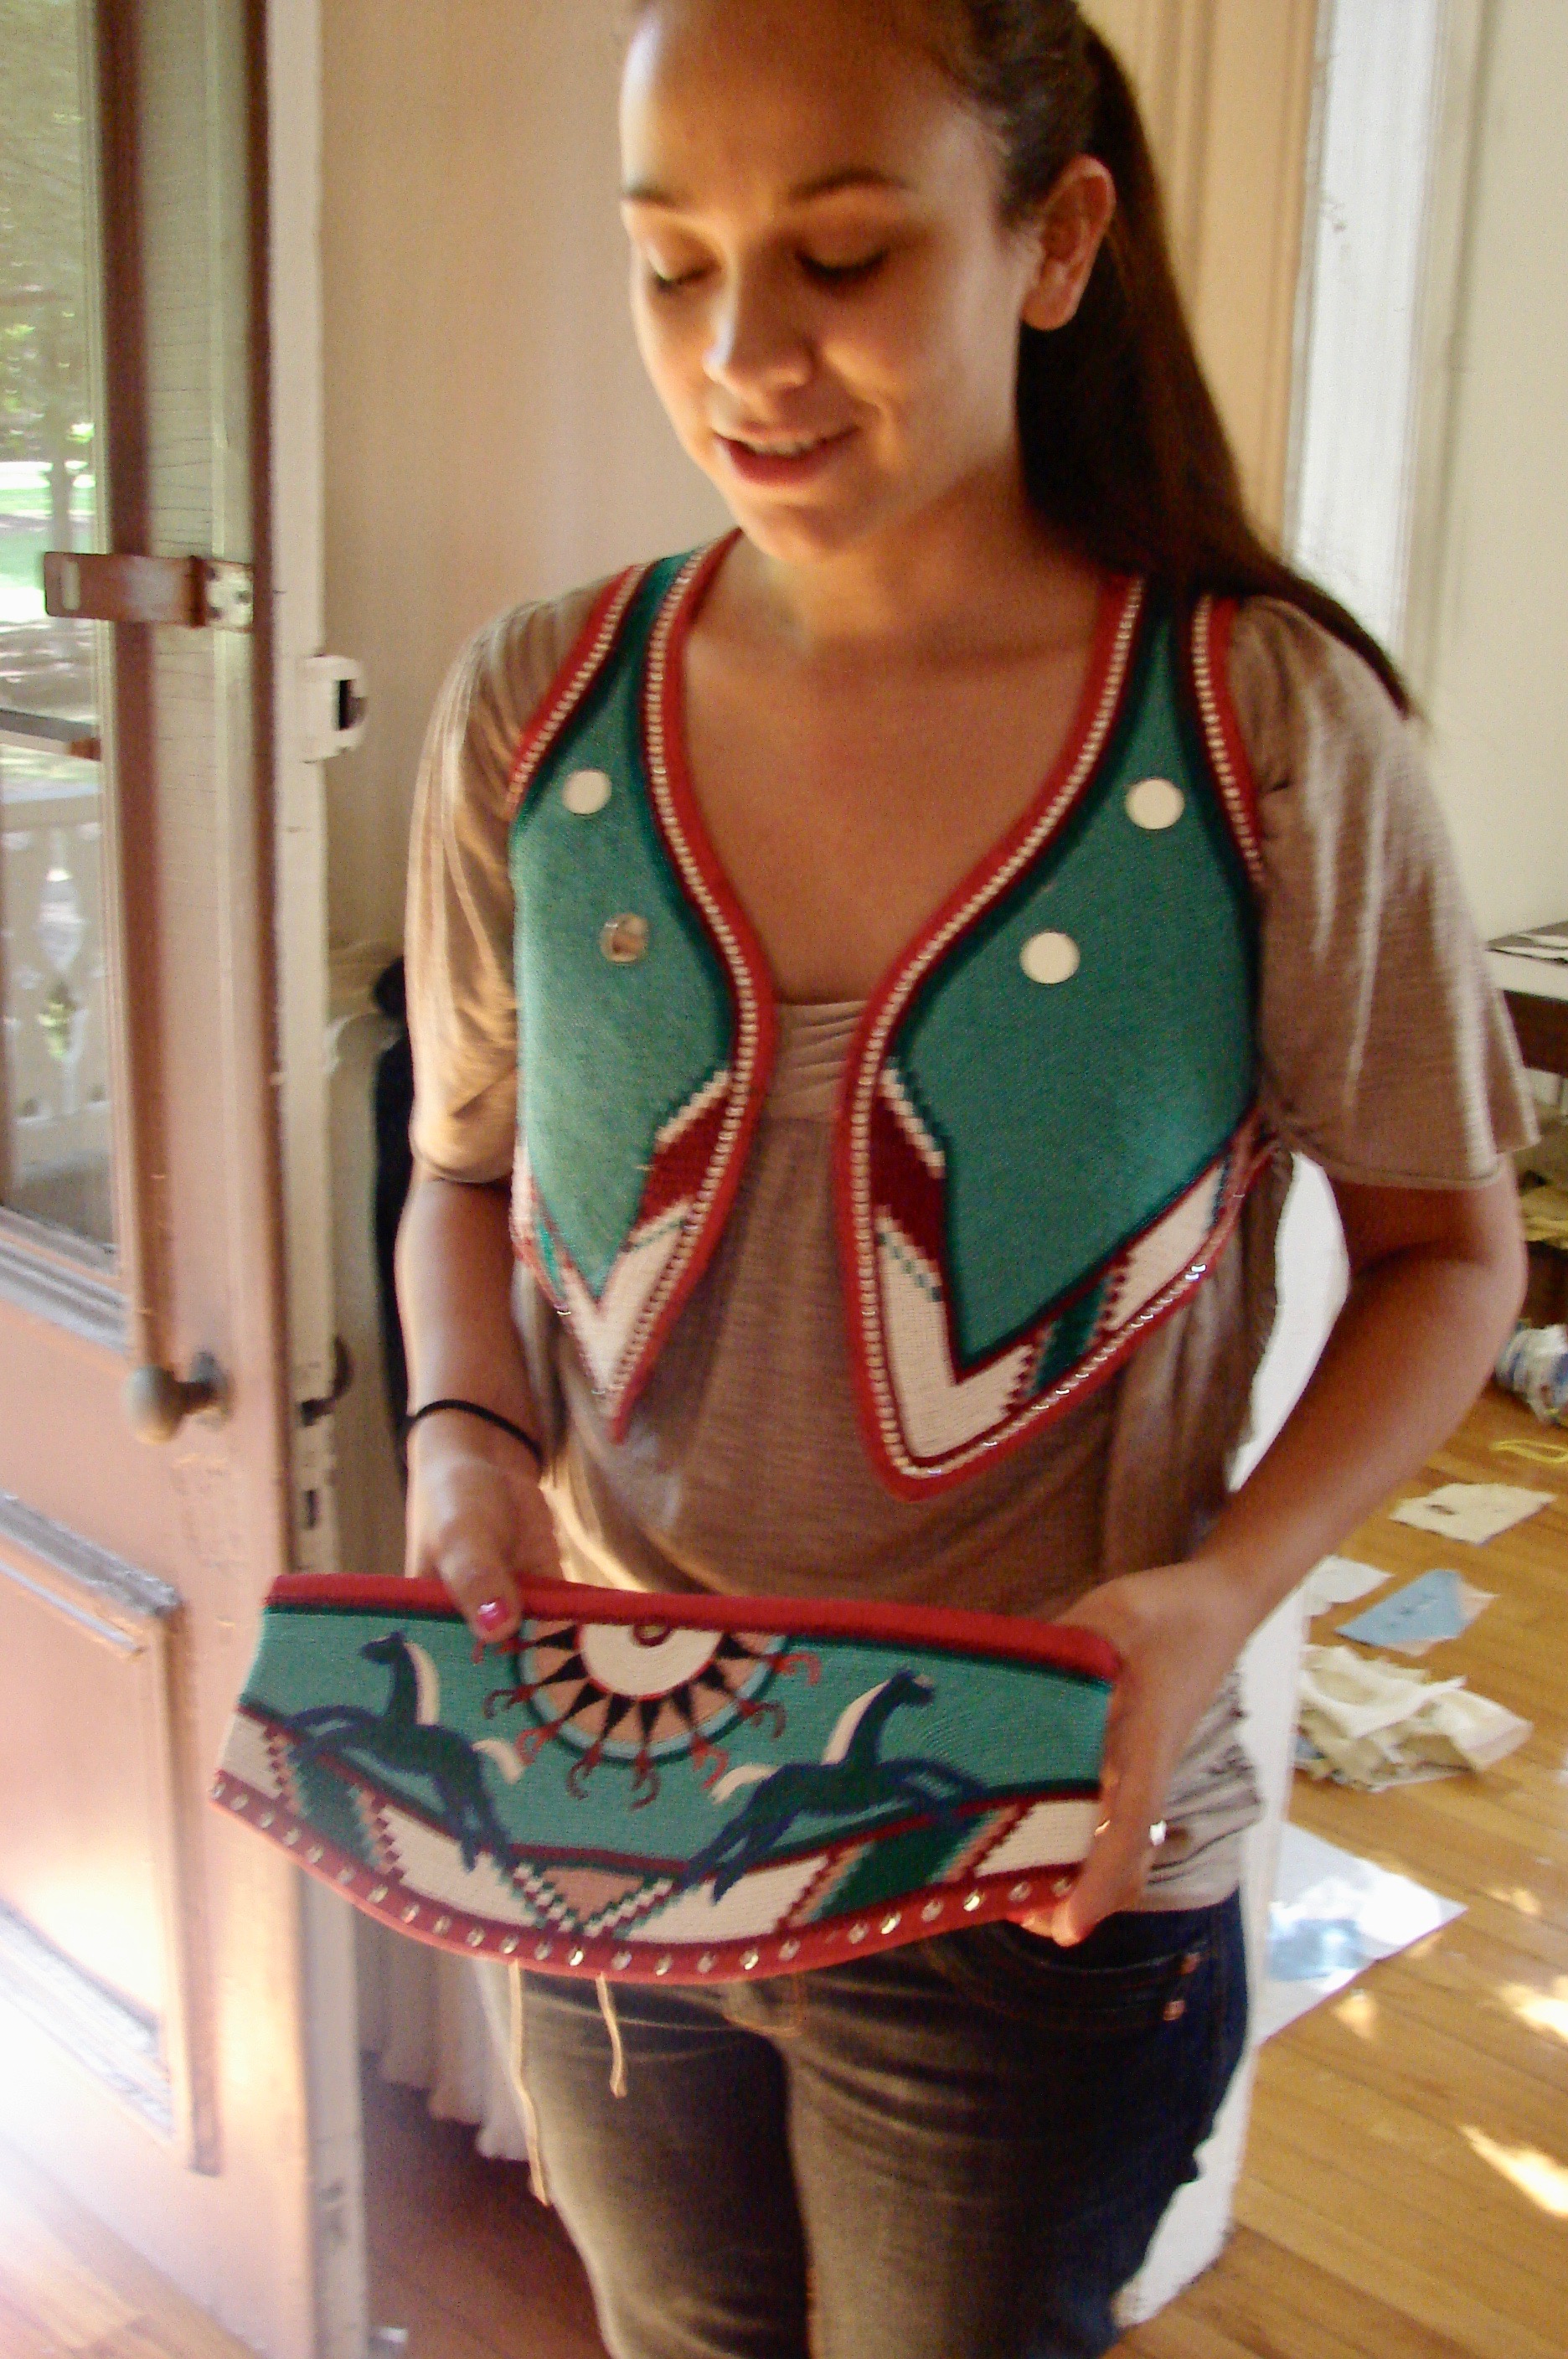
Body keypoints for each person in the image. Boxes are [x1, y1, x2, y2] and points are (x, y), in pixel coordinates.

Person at [395, 3, 1531, 2353]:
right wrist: (465, 1437)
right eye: (672, 263)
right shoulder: (534, 708)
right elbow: (467, 1180)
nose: (742, 355)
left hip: (1035, 1868)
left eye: (842, 257)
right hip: (615, 1801)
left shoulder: (1265, 729)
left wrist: (1221, 1594)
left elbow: (1449, 1251)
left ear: (1057, 239)